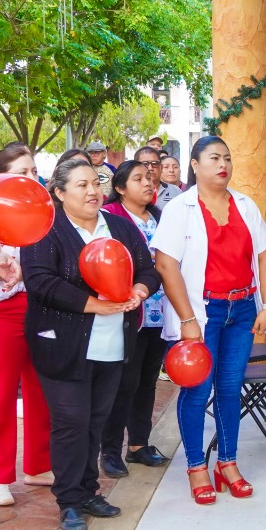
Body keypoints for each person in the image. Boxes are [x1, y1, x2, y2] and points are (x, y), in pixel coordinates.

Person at [23, 158, 160, 530]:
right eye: (81, 185)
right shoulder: (45, 229)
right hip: (62, 344)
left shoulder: (118, 226)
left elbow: (148, 268)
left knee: (95, 422)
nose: (91, 191)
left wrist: (139, 289)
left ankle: (88, 492)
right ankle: (68, 500)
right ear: (60, 192)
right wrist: (94, 304)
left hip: (113, 343)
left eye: (95, 183)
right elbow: (40, 282)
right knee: (71, 423)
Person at [154, 135, 266, 504]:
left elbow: (265, 254)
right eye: (213, 157)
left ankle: (228, 463)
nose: (222, 164)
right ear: (194, 165)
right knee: (197, 390)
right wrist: (187, 318)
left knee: (228, 389)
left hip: (241, 310)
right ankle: (195, 466)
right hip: (203, 312)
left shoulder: (244, 204)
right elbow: (165, 264)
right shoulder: (181, 208)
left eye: (227, 157)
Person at [0, 144, 55, 505]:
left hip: (41, 308)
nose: (31, 179)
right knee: (0, 393)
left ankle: (39, 464)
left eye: (33, 171)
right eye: (22, 172)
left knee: (42, 388)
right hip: (3, 312)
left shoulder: (45, 214)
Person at [100, 160, 172, 473]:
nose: (148, 183)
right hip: (128, 311)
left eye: (150, 178)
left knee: (147, 381)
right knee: (123, 384)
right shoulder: (110, 217)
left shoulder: (159, 216)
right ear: (119, 187)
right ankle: (111, 451)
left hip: (158, 312)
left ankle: (139, 444)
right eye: (139, 178)